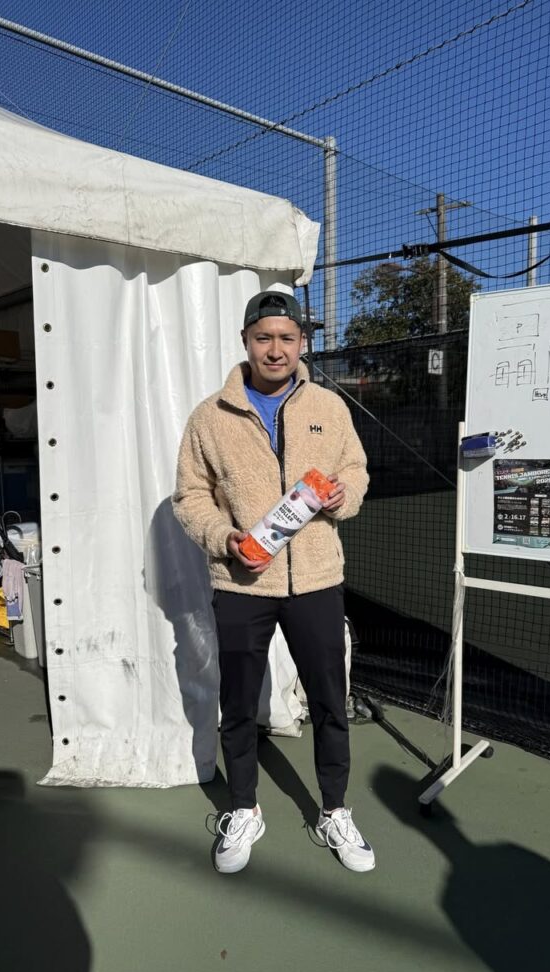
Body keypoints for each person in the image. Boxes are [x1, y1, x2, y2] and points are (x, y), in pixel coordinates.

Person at [172, 290, 374, 874]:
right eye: (264, 338)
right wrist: (223, 538)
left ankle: (334, 809)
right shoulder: (209, 416)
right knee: (237, 704)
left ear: (302, 342)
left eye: (287, 337)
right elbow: (190, 496)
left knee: (330, 701)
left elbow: (355, 469)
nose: (276, 349)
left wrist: (344, 495)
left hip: (317, 580)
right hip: (241, 582)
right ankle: (243, 808)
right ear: (245, 342)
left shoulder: (330, 407)